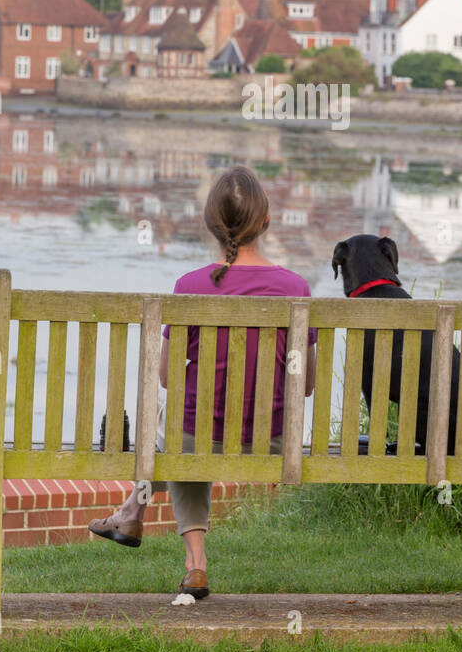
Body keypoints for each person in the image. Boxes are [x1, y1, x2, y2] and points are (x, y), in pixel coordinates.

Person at [89, 164, 316, 598]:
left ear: (210, 224)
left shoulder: (189, 286)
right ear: (265, 222)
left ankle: (189, 557)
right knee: (179, 429)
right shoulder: (296, 288)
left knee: (177, 429)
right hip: (273, 440)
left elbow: (168, 377)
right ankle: (135, 517)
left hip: (197, 438)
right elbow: (305, 386)